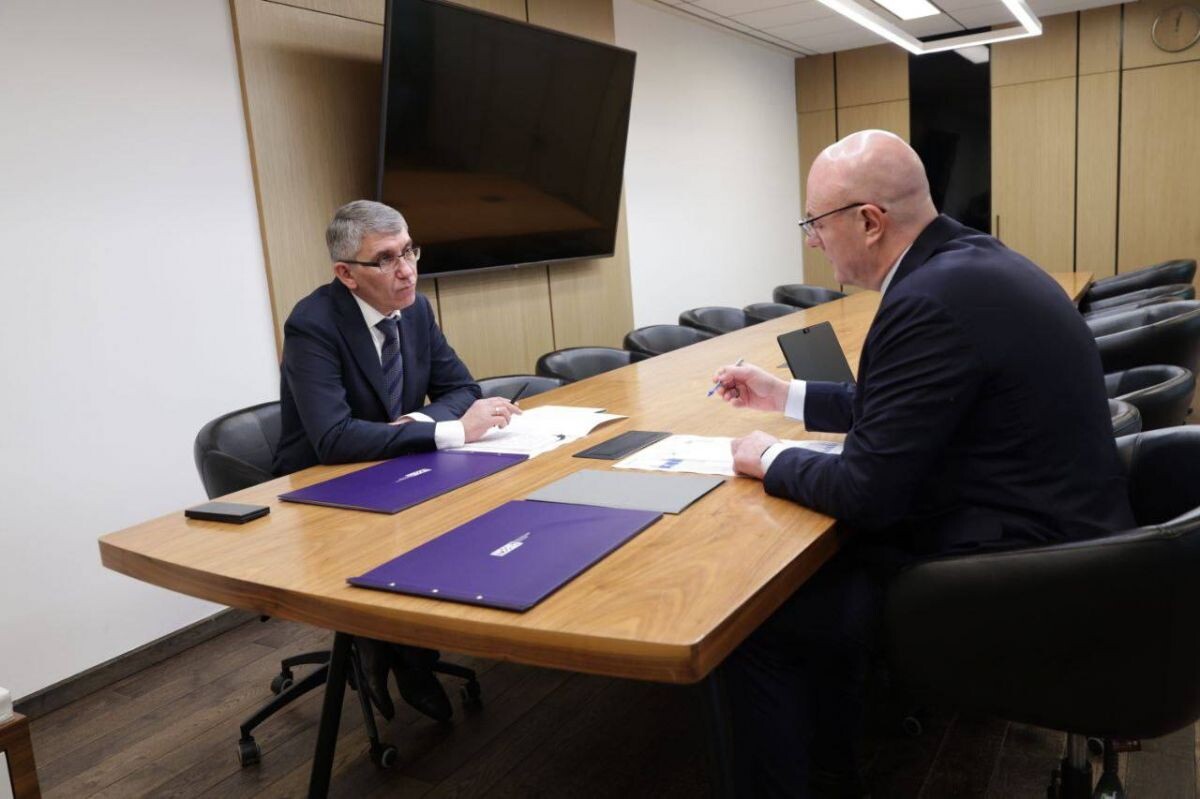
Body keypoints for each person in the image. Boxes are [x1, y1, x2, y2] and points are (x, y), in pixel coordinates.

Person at [711, 131, 1135, 797]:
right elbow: (902, 405)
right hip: (1078, 543)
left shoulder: (926, 300)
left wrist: (769, 455)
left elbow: (866, 492)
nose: (812, 241)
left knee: (755, 623)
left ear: (869, 222)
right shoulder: (967, 264)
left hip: (1028, 576)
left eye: (815, 223)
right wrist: (783, 395)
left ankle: (824, 776)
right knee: (818, 578)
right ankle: (836, 766)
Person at [273, 199, 520, 723]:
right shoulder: (313, 324)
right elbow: (334, 439)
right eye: (385, 259)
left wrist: (412, 425)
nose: (406, 270)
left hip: (396, 466)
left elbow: (462, 388)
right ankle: (393, 647)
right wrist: (449, 430)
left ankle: (404, 648)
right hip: (325, 485)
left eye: (408, 251)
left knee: (471, 520)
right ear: (347, 274)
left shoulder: (416, 309)